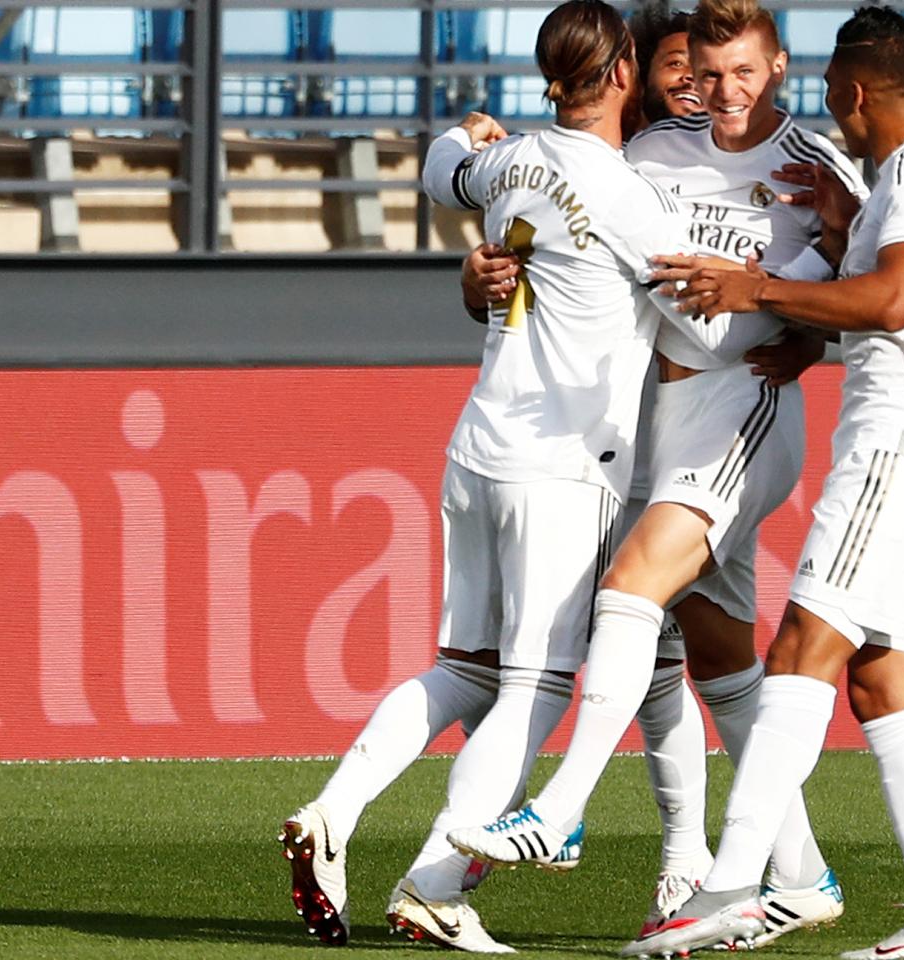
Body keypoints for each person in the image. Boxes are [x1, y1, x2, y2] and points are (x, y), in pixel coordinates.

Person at [276, 5, 713, 951]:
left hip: (479, 441)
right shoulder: (631, 196)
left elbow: (443, 167)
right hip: (562, 465)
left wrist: (463, 136)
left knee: (463, 668)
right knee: (539, 685)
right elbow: (706, 325)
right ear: (626, 69)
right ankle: (435, 885)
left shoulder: (507, 161)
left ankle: (333, 811)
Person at [448, 0, 865, 945]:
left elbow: (882, 290)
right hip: (653, 419)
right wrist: (476, 278)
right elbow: (557, 241)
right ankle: (802, 873)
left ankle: (559, 811)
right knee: (717, 656)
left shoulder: (815, 168)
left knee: (629, 593)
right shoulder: (650, 156)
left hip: (740, 405)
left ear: (778, 68)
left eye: (739, 73)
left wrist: (809, 327)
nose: (717, 92)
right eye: (704, 73)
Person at [626, 7, 904, 958]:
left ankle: (729, 888)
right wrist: (842, 233)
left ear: (854, 91)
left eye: (835, 92)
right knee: (884, 682)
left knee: (799, 651)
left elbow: (895, 300)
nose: (831, 109)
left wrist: (760, 289)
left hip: (901, 445)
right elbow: (878, 285)